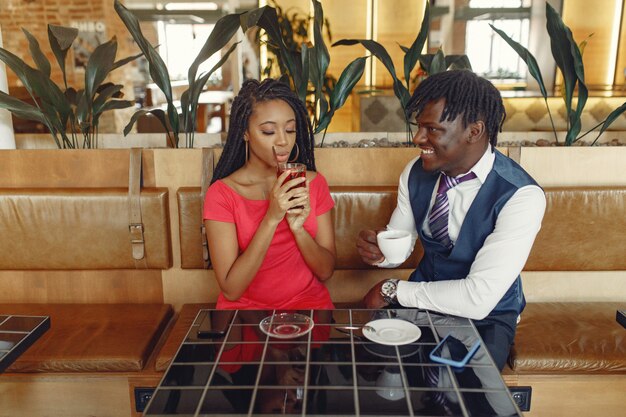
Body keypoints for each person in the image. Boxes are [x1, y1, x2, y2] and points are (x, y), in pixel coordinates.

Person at [357, 70, 546, 370]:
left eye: (431, 129)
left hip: (488, 314)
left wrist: (391, 289)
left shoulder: (521, 196)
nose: (418, 138)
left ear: (474, 131)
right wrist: (383, 254)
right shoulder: (415, 171)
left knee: (470, 390)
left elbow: (478, 298)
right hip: (422, 298)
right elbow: (401, 239)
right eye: (419, 127)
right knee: (379, 367)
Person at [203, 78, 336, 310]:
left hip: (308, 307)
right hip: (244, 312)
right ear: (245, 132)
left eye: (290, 129)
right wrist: (272, 217)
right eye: (268, 131)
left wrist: (298, 229)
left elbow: (326, 271)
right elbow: (231, 290)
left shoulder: (313, 183)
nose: (283, 140)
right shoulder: (222, 194)